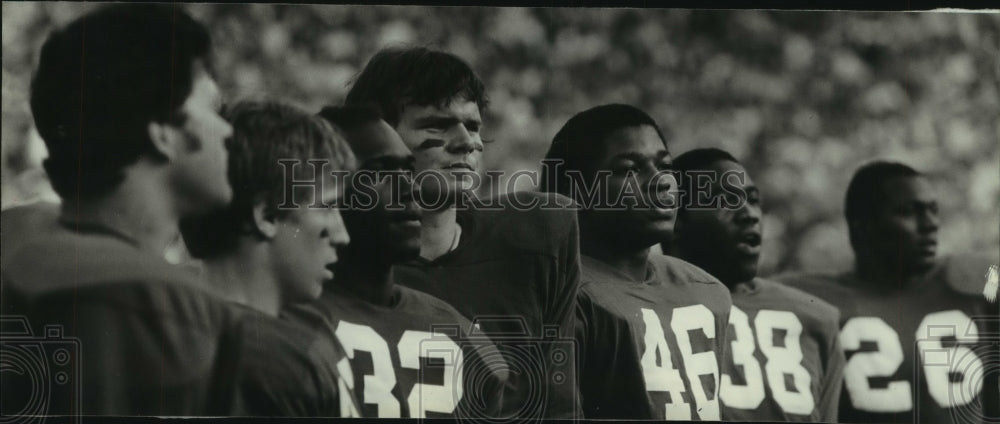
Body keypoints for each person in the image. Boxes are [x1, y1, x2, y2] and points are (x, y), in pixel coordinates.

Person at [1, 4, 238, 415]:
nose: (227, 130)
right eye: (212, 110)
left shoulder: (17, 244)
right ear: (164, 133)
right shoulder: (173, 310)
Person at [343, 46, 581, 419]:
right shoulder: (336, 256)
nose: (466, 142)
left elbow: (558, 408)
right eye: (436, 125)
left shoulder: (538, 235)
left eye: (472, 125)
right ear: (378, 137)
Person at [286, 105, 508, 419]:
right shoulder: (279, 319)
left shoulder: (465, 337)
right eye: (379, 172)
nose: (410, 188)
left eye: (408, 171)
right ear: (321, 192)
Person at [541, 104, 731, 420]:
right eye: (630, 169)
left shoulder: (708, 291)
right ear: (575, 190)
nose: (661, 181)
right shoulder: (563, 294)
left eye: (665, 166)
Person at [776, 160, 999, 423]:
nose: (930, 224)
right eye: (908, 211)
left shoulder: (979, 281)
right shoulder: (807, 300)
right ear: (863, 226)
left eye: (932, 210)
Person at [178, 100, 358, 416]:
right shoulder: (282, 360)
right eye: (327, 206)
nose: (342, 235)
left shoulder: (161, 327)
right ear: (268, 215)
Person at [667, 148, 845, 422]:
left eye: (753, 200)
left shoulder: (816, 318)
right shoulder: (636, 306)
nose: (749, 214)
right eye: (725, 200)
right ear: (675, 218)